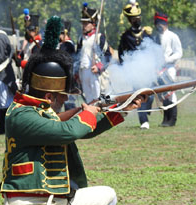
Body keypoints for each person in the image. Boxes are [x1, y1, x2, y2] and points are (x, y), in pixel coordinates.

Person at [0, 16, 144, 205]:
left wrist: (122, 109)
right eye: (62, 95)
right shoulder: (21, 114)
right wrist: (89, 111)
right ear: (49, 97)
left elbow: (84, 129)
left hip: (58, 203)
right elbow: (69, 131)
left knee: (107, 197)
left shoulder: (41, 112)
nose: (66, 99)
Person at [118, 0, 154, 129]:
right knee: (139, 95)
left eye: (137, 17)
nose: (136, 20)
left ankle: (146, 111)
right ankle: (144, 121)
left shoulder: (147, 33)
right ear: (130, 20)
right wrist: (126, 69)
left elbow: (154, 50)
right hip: (134, 70)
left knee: (149, 96)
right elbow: (122, 53)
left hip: (148, 69)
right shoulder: (126, 36)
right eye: (133, 18)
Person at [76, 2, 111, 104]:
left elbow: (108, 56)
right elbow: (77, 57)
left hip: (95, 72)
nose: (84, 25)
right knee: (88, 99)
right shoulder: (80, 39)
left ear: (93, 24)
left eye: (86, 23)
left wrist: (99, 67)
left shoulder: (99, 37)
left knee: (98, 98)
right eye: (83, 23)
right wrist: (76, 74)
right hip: (83, 72)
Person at [154, 12, 183, 127]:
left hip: (169, 67)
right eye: (157, 23)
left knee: (170, 93)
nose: (158, 26)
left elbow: (179, 53)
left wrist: (167, 59)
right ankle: (166, 118)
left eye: (160, 23)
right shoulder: (156, 36)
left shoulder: (172, 36)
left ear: (164, 23)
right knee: (162, 94)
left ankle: (172, 119)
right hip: (158, 69)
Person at [59, 20, 77, 110]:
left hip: (69, 79)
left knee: (69, 104)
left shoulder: (67, 45)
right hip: (64, 79)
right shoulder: (63, 45)